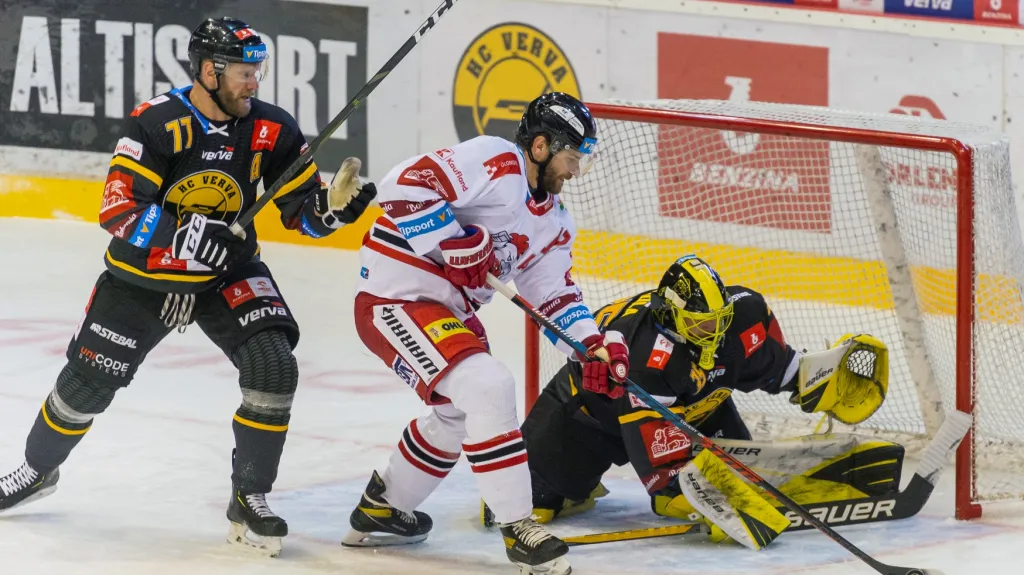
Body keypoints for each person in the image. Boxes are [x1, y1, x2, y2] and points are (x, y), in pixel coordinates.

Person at [0, 17, 376, 557]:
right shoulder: (157, 122)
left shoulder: (271, 128)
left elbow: (302, 215)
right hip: (143, 278)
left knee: (273, 367)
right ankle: (36, 470)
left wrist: (332, 210)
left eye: (258, 71)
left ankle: (249, 497)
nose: (254, 82)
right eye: (245, 72)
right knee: (84, 388)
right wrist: (190, 235)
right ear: (208, 71)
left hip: (225, 273)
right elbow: (117, 209)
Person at [342, 92, 628, 574]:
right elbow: (401, 185)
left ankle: (384, 506)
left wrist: (591, 345)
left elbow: (554, 297)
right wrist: (453, 242)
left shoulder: (556, 223)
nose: (576, 171)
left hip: (448, 309)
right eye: (571, 157)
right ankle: (519, 527)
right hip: (396, 293)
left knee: (458, 413)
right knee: (489, 387)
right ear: (541, 146)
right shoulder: (496, 161)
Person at [518, 255, 892, 550]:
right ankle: (559, 484)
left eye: (719, 320)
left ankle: (741, 474)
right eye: (701, 325)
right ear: (671, 317)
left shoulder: (743, 317)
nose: (714, 334)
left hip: (696, 409)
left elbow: (776, 367)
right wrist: (707, 503)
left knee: (738, 470)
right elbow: (664, 483)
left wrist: (811, 381)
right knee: (534, 502)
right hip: (588, 418)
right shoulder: (648, 358)